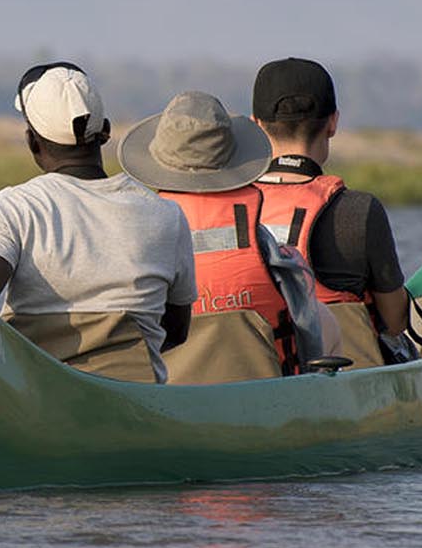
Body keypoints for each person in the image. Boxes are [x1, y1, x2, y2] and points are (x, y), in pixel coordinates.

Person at [0, 62, 197, 384]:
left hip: (33, 397)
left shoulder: (13, 208)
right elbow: (176, 331)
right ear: (106, 131)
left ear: (32, 141)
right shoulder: (166, 214)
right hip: (134, 400)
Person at [119, 91, 340, 377]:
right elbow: (306, 328)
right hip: (263, 394)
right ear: (231, 159)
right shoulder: (266, 247)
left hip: (168, 400)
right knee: (328, 322)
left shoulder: (140, 244)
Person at [251, 57, 419, 364]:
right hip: (347, 386)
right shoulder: (359, 210)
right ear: (333, 123)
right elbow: (396, 323)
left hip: (256, 377)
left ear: (256, 126)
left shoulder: (233, 210)